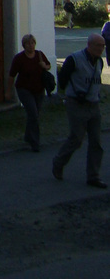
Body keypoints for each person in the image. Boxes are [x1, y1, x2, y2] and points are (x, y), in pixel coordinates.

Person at [52, 32, 106, 188]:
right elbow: (62, 81)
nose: (102, 49)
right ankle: (59, 162)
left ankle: (93, 176)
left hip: (93, 104)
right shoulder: (73, 60)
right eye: (99, 45)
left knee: (96, 142)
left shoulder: (99, 62)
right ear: (89, 45)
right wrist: (75, 92)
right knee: (76, 138)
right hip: (76, 103)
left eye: (103, 46)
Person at [8, 34, 51, 152]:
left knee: (35, 114)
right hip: (24, 89)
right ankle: (35, 142)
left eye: (32, 43)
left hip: (39, 89)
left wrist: (45, 66)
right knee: (33, 114)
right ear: (24, 45)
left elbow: (48, 66)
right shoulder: (19, 58)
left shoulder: (39, 55)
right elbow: (12, 75)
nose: (31, 46)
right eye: (28, 43)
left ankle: (28, 136)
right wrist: (8, 91)